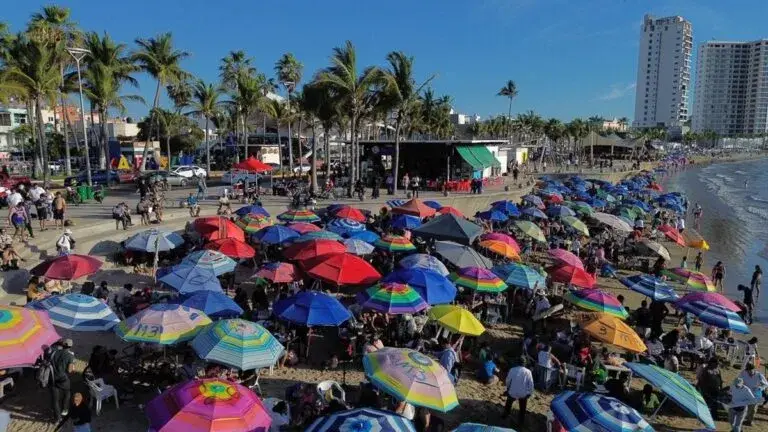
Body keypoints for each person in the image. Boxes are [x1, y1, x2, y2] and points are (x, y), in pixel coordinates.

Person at [504, 356, 534, 426]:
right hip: (523, 394)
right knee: (523, 407)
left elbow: (507, 381)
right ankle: (521, 421)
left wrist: (508, 389)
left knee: (509, 401)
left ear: (517, 363)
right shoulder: (528, 372)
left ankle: (506, 414)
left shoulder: (512, 369)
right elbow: (531, 384)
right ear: (525, 363)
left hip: (512, 392)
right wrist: (530, 393)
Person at [51, 339, 76, 422]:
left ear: (62, 344)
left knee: (55, 400)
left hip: (53, 378)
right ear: (70, 346)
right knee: (67, 393)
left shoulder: (54, 352)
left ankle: (57, 418)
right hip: (63, 379)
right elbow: (69, 370)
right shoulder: (70, 356)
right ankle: (64, 410)